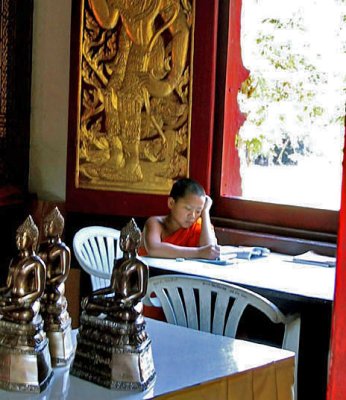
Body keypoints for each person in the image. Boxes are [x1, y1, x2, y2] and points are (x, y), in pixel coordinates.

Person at [87, 0, 190, 182]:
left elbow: (181, 30)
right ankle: (116, 154)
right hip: (127, 43)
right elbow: (109, 21)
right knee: (111, 94)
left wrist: (170, 81)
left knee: (128, 98)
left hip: (148, 48)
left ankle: (132, 164)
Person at [81, 219, 148, 322]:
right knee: (89, 304)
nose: (122, 242)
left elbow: (141, 292)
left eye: (125, 239)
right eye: (121, 239)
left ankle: (109, 311)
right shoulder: (118, 262)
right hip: (116, 301)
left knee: (125, 314)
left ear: (136, 242)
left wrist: (126, 300)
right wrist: (92, 294)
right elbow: (111, 288)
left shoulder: (140, 265)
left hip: (129, 304)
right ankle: (108, 310)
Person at [139, 178, 221, 259]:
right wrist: (198, 252)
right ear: (171, 203)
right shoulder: (155, 223)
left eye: (198, 211)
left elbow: (210, 250)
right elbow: (154, 249)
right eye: (188, 209)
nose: (192, 216)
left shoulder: (199, 225)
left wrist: (205, 212)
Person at [0, 216, 46, 324]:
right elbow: (8, 286)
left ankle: (6, 313)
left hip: (27, 304)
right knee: (3, 304)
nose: (18, 240)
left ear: (32, 239)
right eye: (17, 237)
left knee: (26, 315)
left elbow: (39, 291)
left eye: (22, 237)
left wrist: (23, 299)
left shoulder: (37, 263)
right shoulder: (14, 260)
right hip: (13, 301)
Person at [38, 207, 71, 326]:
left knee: (52, 296)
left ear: (58, 227)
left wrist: (48, 282)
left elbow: (63, 274)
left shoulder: (63, 250)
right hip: (41, 284)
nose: (45, 228)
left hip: (55, 285)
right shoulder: (41, 246)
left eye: (49, 225)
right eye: (44, 225)